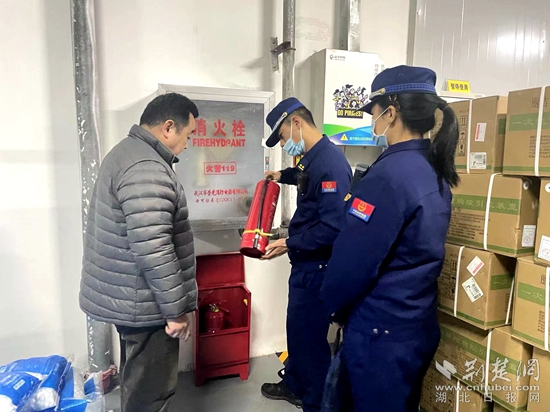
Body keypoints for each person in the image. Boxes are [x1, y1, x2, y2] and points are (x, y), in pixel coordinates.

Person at [320, 66, 460, 411]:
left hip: (379, 332)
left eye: (374, 113)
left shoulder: (388, 176)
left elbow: (354, 264)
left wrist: (332, 307)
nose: (373, 122)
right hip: (415, 324)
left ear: (391, 112)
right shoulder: (434, 168)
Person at [79, 93, 199, 412]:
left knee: (138, 381)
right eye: (188, 135)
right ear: (168, 128)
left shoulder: (127, 153)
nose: (188, 144)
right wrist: (175, 311)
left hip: (132, 297)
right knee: (151, 392)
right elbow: (153, 248)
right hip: (146, 303)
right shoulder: (147, 168)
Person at [260, 97, 352, 412]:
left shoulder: (330, 164)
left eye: (282, 136)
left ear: (297, 123)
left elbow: (333, 227)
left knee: (310, 341)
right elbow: (303, 176)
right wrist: (280, 175)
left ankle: (315, 403)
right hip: (305, 266)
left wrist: (289, 243)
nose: (283, 143)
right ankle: (295, 384)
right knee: (297, 333)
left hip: (318, 269)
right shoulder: (311, 158)